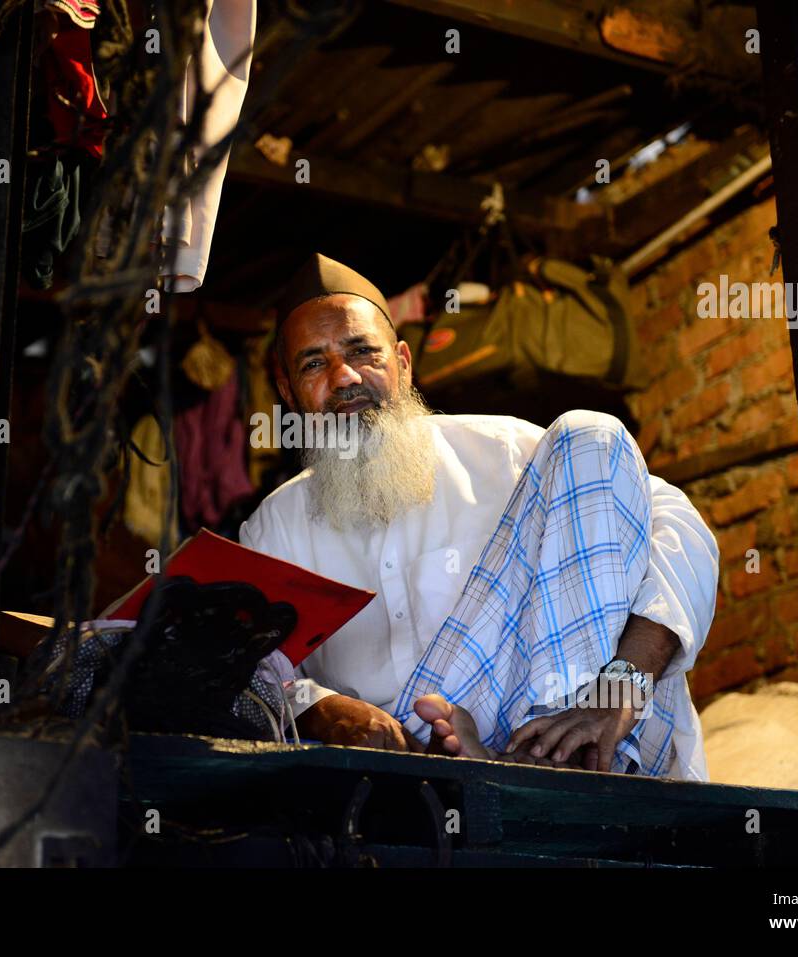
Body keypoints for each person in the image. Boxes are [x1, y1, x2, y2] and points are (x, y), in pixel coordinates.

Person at [240, 254, 719, 779]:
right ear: (288, 393)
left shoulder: (507, 451)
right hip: (397, 767)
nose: (345, 376)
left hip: (576, 727)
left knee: (592, 434)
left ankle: (553, 752)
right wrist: (318, 708)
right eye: (314, 363)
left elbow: (679, 533)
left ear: (402, 362)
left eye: (362, 351)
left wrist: (619, 689)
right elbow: (247, 669)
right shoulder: (274, 526)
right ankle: (494, 757)